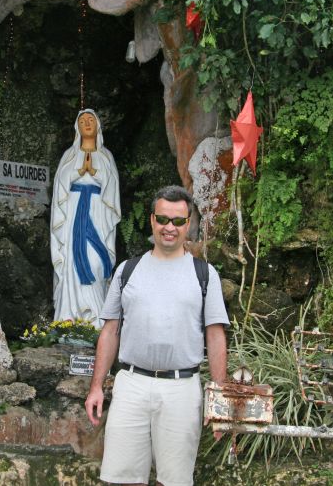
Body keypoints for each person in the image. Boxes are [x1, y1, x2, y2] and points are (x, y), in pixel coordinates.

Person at [85, 185, 229, 486]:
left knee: (174, 481)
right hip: (131, 385)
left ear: (188, 224)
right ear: (152, 220)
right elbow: (110, 331)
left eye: (178, 221)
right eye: (163, 219)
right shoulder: (127, 271)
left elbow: (215, 337)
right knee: (122, 478)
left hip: (182, 388)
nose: (169, 228)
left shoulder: (205, 274)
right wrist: (96, 387)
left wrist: (219, 401)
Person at [50, 109, 121, 328]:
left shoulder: (106, 156)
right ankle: (69, 318)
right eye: (82, 121)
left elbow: (113, 188)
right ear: (77, 128)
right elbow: (60, 185)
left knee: (96, 262)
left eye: (91, 120)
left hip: (98, 213)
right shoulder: (69, 156)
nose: (87, 123)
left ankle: (97, 320)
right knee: (71, 262)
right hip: (72, 213)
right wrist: (80, 171)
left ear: (98, 125)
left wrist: (96, 173)